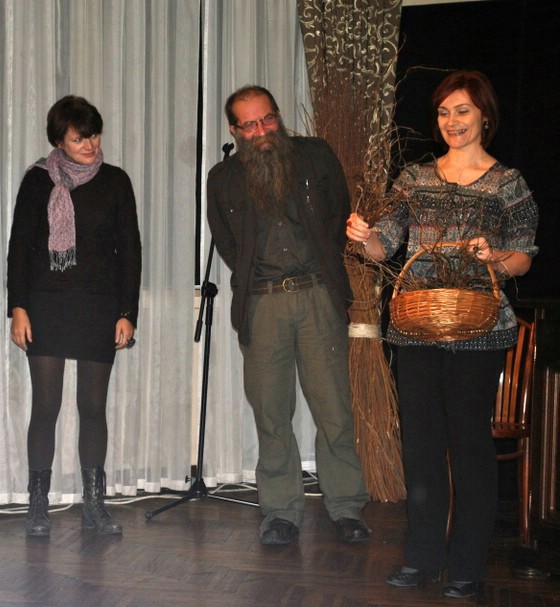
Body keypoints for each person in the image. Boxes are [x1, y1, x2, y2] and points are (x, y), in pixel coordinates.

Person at [347, 70, 538, 598]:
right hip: (416, 328)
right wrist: (364, 237)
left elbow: (523, 258)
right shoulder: (413, 178)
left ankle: (467, 565)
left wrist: (495, 257)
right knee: (422, 447)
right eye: (444, 112)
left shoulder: (508, 183)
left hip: (479, 330)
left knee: (469, 445)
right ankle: (422, 557)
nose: (452, 121)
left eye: (463, 110)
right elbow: (384, 247)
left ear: (485, 116)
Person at [207, 85, 370, 546]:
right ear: (234, 130)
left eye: (268, 119)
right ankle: (280, 512)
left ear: (278, 116)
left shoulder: (316, 156)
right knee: (271, 414)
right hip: (262, 304)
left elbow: (339, 217)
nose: (261, 131)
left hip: (318, 295)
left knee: (334, 410)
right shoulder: (222, 178)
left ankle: (346, 507)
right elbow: (228, 244)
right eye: (250, 125)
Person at [7, 95, 141, 537]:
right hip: (46, 304)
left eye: (94, 135)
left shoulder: (116, 182)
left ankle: (94, 507)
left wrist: (127, 312)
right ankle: (38, 506)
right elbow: (19, 249)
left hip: (100, 306)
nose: (90, 144)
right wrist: (18, 307)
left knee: (93, 409)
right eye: (79, 138)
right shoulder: (38, 180)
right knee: (46, 407)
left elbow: (130, 252)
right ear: (59, 141)